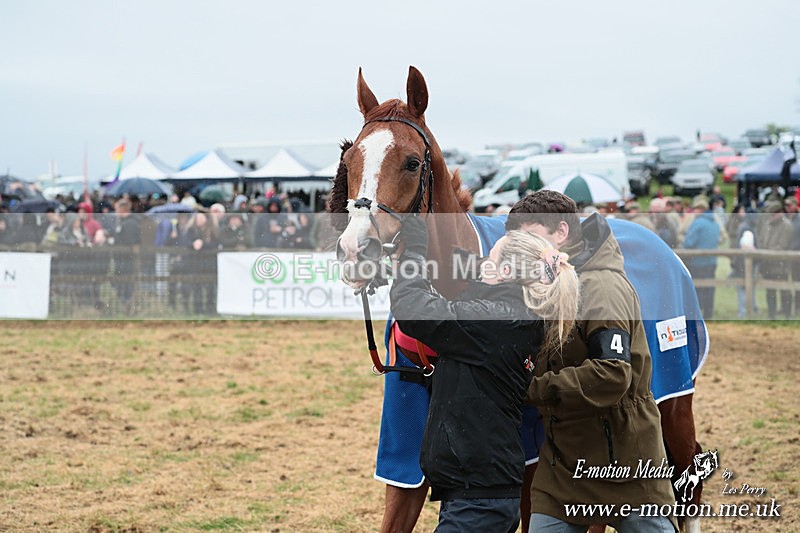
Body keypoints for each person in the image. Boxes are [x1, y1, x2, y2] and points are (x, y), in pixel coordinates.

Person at [390, 215, 580, 533]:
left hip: (478, 502)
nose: (482, 265)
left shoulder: (496, 323)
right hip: (481, 492)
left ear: (504, 273)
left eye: (490, 259)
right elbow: (470, 290)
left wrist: (416, 251)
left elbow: (412, 307)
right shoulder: (515, 314)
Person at [506, 190, 678, 532]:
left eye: (531, 235)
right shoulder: (540, 284)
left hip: (627, 462)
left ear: (561, 234)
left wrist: (530, 386)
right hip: (561, 469)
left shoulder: (602, 287)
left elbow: (612, 374)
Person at [683, 196, 720, 320]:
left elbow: (689, 243)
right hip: (712, 261)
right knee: (709, 287)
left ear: (702, 209)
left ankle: (698, 314)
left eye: (697, 208)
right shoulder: (714, 222)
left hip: (698, 262)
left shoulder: (698, 223)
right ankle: (708, 313)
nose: (695, 211)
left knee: (697, 289)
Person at [758, 201, 794, 319]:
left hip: (781, 264)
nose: (770, 216)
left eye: (773, 214)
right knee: (770, 290)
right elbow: (762, 240)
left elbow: (782, 245)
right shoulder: (767, 224)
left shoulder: (787, 226)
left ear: (780, 213)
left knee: (784, 291)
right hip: (768, 264)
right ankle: (771, 314)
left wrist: (767, 252)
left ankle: (787, 315)